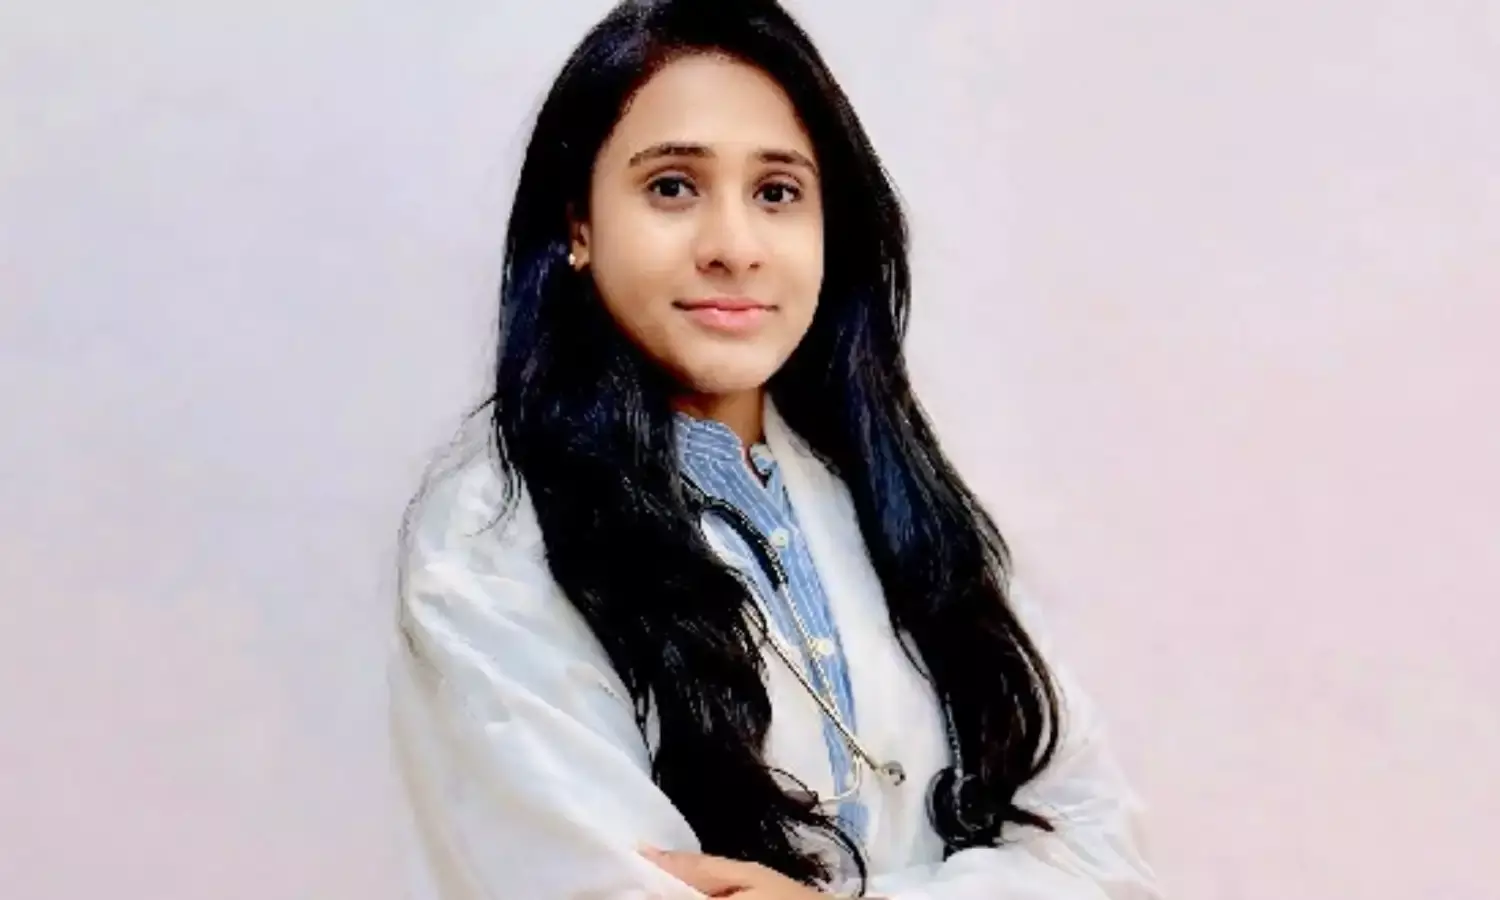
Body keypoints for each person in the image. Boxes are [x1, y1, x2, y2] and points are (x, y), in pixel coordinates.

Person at [390, 1, 1161, 897]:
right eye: (672, 186)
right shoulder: (493, 540)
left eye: (777, 193)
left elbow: (1106, 863)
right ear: (578, 225)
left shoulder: (894, 494)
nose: (735, 247)